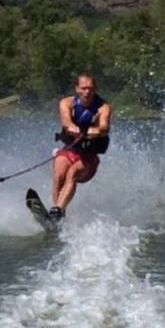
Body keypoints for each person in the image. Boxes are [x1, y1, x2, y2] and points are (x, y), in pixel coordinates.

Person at [49, 74, 111, 222]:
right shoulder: (67, 103)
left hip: (88, 159)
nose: (87, 92)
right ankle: (57, 215)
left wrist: (90, 131)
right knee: (59, 175)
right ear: (77, 89)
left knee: (72, 173)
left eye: (90, 88)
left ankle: (58, 210)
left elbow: (104, 127)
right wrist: (72, 128)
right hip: (69, 151)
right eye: (83, 88)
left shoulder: (103, 107)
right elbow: (66, 121)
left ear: (95, 89)